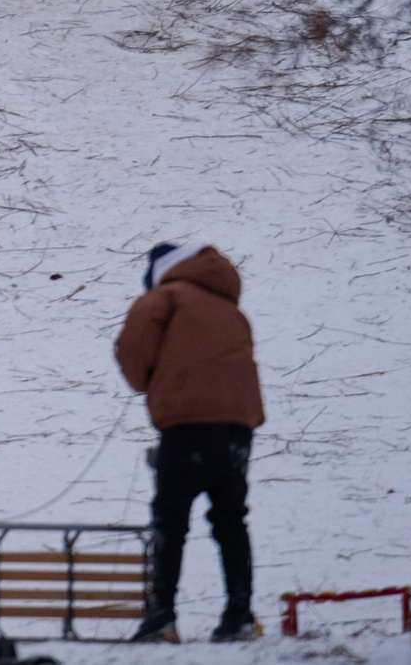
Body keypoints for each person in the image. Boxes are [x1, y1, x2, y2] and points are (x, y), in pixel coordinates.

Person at [115, 243, 266, 642]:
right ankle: (240, 615)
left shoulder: (165, 297)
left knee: (170, 520)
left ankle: (161, 616)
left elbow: (132, 348)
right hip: (237, 426)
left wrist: (145, 381)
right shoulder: (231, 309)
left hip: (186, 425)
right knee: (231, 519)